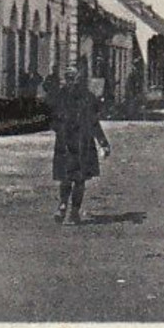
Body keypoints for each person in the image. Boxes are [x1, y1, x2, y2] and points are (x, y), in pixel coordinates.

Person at [51, 67, 111, 225]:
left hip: (67, 143)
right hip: (82, 143)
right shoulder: (87, 97)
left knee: (67, 177)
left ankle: (64, 206)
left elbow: (53, 120)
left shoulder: (60, 96)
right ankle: (73, 211)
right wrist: (103, 143)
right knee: (79, 180)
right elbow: (94, 122)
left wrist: (61, 130)